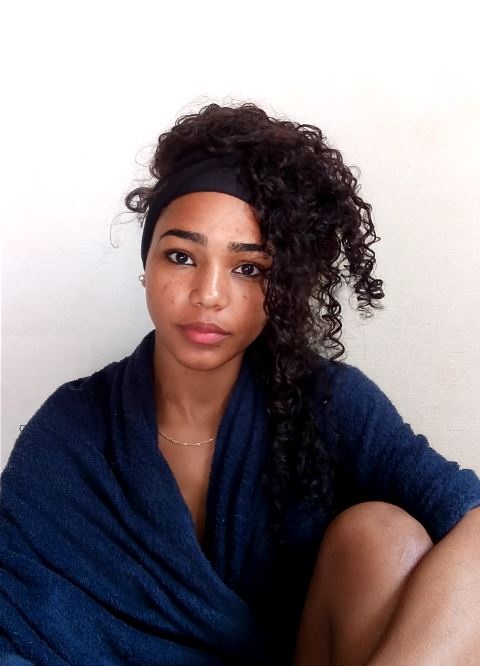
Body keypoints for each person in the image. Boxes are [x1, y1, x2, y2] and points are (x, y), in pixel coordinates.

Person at [1, 102, 480, 666]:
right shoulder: (73, 429)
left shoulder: (328, 402)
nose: (209, 295)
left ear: (283, 287)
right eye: (182, 257)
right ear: (147, 265)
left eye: (249, 268)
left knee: (384, 537)